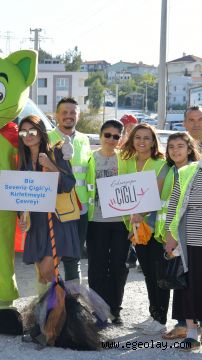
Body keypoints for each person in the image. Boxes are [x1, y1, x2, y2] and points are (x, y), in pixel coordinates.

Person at [17, 115, 80, 293]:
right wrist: (21, 216)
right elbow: (21, 193)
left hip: (57, 220)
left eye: (32, 131)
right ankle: (48, 315)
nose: (27, 135)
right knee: (42, 276)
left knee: (48, 270)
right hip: (36, 222)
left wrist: (51, 166)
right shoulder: (23, 160)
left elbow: (68, 183)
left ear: (41, 132)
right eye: (23, 132)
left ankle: (61, 312)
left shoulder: (57, 152)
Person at [119, 123, 169, 335]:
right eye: (138, 137)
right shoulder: (126, 162)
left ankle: (161, 319)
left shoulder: (162, 164)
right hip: (135, 227)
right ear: (132, 140)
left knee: (159, 273)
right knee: (148, 272)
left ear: (153, 141)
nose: (141, 141)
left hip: (155, 228)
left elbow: (161, 195)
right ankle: (153, 315)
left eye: (146, 138)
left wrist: (143, 213)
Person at [156, 132, 200, 341]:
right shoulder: (186, 171)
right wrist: (170, 235)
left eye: (180, 146)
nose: (176, 150)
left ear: (189, 149)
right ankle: (191, 331)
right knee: (190, 284)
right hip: (188, 237)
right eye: (171, 146)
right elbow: (174, 204)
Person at [85, 120, 129, 325]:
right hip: (96, 220)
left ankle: (115, 310)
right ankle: (98, 310)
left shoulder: (126, 160)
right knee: (97, 266)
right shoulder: (90, 159)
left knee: (119, 266)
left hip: (121, 222)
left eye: (116, 136)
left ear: (121, 138)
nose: (111, 139)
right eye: (107, 135)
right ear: (100, 135)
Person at [47, 97, 91, 283]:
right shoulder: (46, 139)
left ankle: (74, 303)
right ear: (57, 115)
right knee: (52, 259)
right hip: (55, 208)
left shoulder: (84, 139)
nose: (68, 116)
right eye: (64, 112)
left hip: (80, 209)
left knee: (74, 259)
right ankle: (52, 306)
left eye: (73, 112)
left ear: (78, 115)